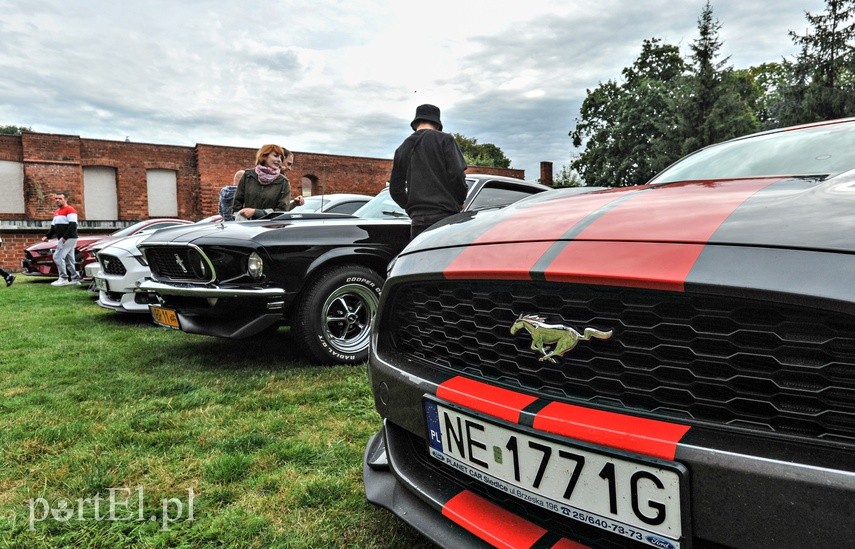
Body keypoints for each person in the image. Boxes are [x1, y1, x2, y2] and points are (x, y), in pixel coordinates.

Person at [389, 104, 468, 239]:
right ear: (437, 124)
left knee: (421, 259)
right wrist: (460, 200)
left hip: (417, 221)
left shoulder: (401, 149)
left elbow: (395, 190)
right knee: (445, 259)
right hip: (445, 217)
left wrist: (412, 208)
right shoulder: (445, 140)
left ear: (415, 124)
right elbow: (456, 175)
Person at [232, 145, 305, 221]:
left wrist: (256, 212)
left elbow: (281, 211)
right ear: (264, 156)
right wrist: (239, 217)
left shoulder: (283, 182)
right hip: (248, 227)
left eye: (281, 158)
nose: (279, 160)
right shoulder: (248, 176)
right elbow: (237, 203)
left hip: (270, 227)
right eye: (276, 156)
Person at [43, 192, 81, 286]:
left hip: (69, 238)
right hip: (66, 238)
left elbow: (73, 226)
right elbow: (53, 227)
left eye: (60, 198)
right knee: (69, 259)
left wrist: (65, 238)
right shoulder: (56, 212)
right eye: (56, 199)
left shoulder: (70, 210)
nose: (57, 200)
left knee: (58, 256)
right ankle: (75, 279)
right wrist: (47, 236)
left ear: (66, 199)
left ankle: (63, 278)